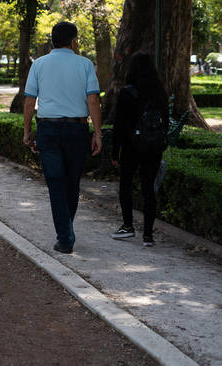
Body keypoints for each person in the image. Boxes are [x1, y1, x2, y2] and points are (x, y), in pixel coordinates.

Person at [22, 21, 102, 254]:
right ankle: (66, 233)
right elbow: (93, 100)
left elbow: (29, 101)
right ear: (74, 41)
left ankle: (65, 235)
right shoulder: (85, 64)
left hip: (48, 130)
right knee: (71, 183)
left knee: (56, 184)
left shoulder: (39, 65)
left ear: (52, 41)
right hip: (77, 130)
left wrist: (27, 131)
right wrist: (97, 134)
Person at [111, 52, 169, 247]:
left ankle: (128, 226)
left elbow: (118, 125)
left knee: (125, 185)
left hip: (131, 146)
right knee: (148, 189)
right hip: (153, 146)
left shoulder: (127, 92)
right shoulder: (160, 92)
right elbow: (166, 122)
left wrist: (114, 151)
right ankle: (148, 235)